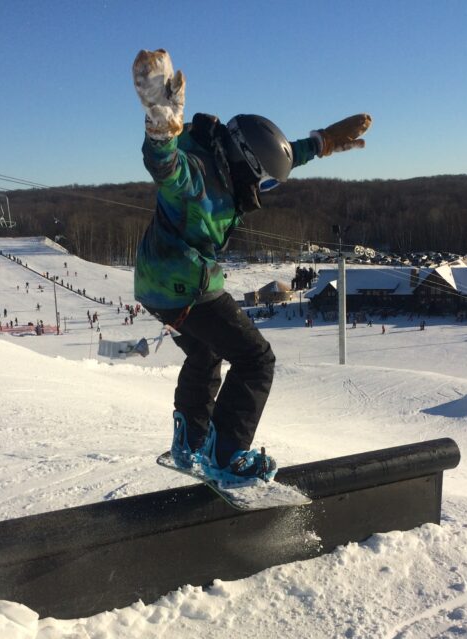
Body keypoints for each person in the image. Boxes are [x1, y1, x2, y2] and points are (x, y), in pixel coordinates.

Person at [131, 48, 371, 483]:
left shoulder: (226, 160)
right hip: (186, 286)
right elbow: (164, 166)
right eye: (258, 179)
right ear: (244, 165)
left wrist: (322, 143)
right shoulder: (198, 173)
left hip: (156, 285)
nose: (259, 189)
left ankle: (190, 441)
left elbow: (283, 159)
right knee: (256, 360)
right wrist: (160, 126)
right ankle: (226, 455)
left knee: (205, 351)